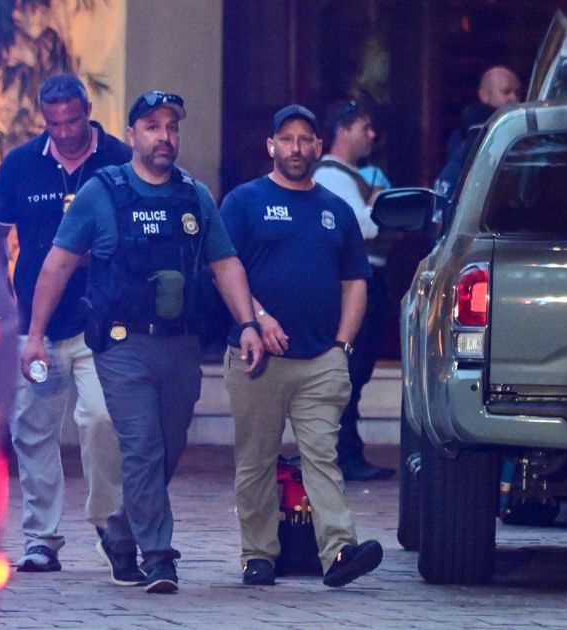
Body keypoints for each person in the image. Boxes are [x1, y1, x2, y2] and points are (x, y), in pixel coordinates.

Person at [20, 90, 265, 594]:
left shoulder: (195, 195)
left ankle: (120, 531)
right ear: (131, 135)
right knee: (142, 446)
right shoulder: (102, 193)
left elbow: (225, 264)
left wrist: (247, 324)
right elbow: (58, 264)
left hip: (179, 344)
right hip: (121, 344)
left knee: (169, 446)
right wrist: (36, 336)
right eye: (152, 127)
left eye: (172, 127)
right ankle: (159, 556)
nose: (164, 136)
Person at [222, 104, 384, 588]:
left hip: (321, 360)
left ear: (318, 146)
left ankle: (338, 552)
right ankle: (258, 555)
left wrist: (342, 347)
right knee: (256, 460)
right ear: (271, 146)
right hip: (257, 360)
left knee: (323, 457)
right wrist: (257, 319)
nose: (296, 147)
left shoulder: (335, 209)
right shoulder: (244, 201)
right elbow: (226, 271)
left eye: (305, 139)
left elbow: (356, 280)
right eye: (286, 139)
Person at [0, 74, 132, 573]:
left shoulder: (118, 159)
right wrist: (4, 305)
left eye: (74, 120)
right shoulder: (21, 164)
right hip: (35, 326)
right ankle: (41, 538)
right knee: (32, 431)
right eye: (55, 123)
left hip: (102, 322)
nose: (66, 132)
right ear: (42, 118)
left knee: (101, 419)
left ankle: (109, 526)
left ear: (88, 110)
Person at [311, 100, 396, 481]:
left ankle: (347, 450)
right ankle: (343, 454)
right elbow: (361, 227)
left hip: (369, 281)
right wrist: (379, 206)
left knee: (357, 371)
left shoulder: (352, 176)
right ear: (342, 131)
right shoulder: (332, 177)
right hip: (351, 285)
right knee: (348, 368)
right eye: (364, 128)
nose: (372, 135)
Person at [436, 66, 521, 203]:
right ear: (484, 95)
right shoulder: (470, 138)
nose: (514, 98)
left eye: (517, 92)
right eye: (506, 92)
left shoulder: (519, 133)